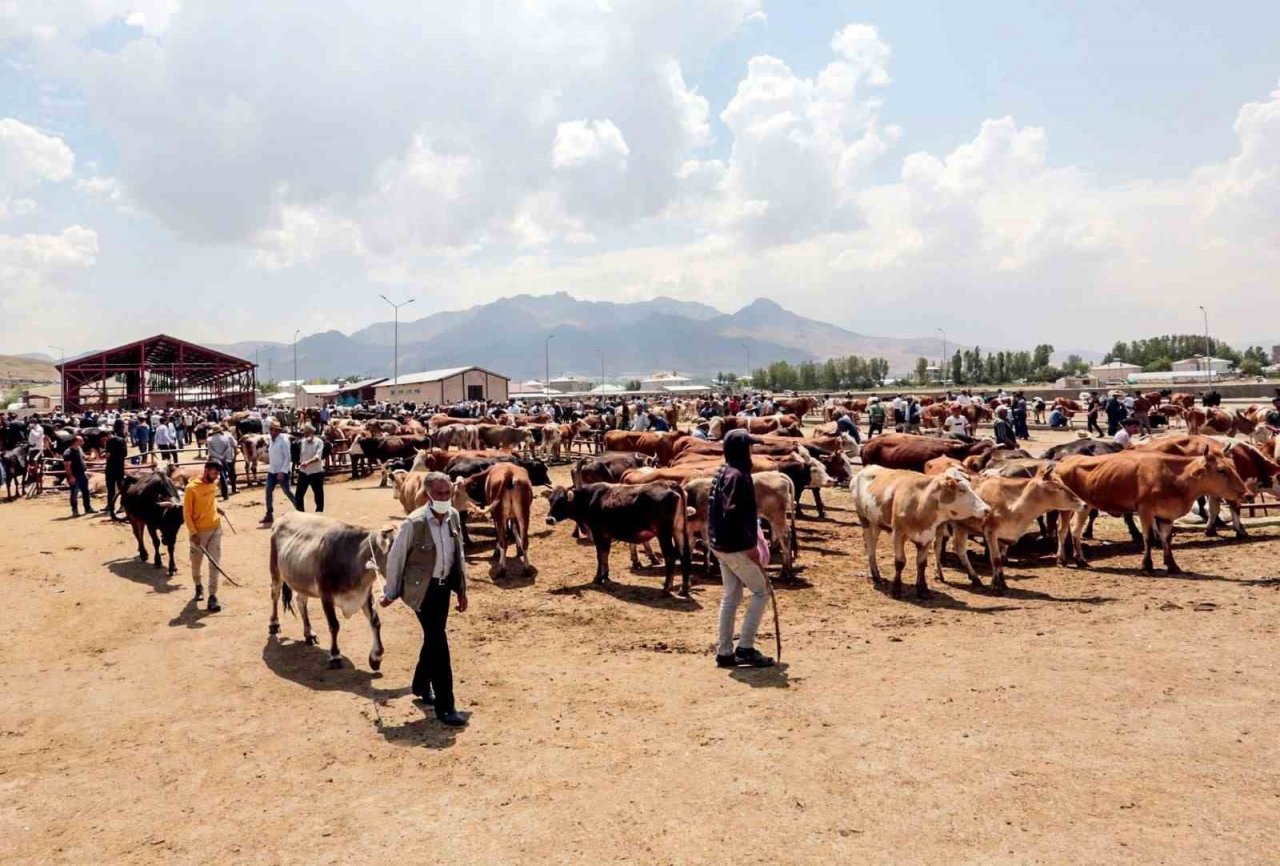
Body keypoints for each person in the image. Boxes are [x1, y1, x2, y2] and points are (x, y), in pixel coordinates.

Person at [380, 472, 470, 727]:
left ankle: (420, 684)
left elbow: (458, 554)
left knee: (433, 638)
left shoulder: (453, 516)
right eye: (440, 493)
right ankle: (446, 706)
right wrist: (391, 592)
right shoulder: (414, 522)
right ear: (428, 494)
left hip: (443, 588)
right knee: (440, 645)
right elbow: (396, 558)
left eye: (448, 493)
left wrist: (462, 590)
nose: (445, 498)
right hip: (422, 590)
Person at [709, 430, 774, 670]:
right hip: (735, 546)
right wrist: (750, 546)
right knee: (761, 592)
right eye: (749, 447)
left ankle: (725, 652)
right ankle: (745, 647)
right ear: (741, 450)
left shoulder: (722, 471)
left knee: (731, 597)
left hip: (720, 544)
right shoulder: (738, 476)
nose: (752, 451)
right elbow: (734, 512)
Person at [184, 460, 225, 612]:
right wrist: (193, 533)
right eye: (214, 473)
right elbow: (187, 514)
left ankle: (212, 596)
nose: (217, 476)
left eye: (218, 473)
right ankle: (198, 585)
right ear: (206, 470)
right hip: (198, 534)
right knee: (196, 564)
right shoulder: (191, 489)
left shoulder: (214, 484)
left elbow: (212, 500)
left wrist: (217, 508)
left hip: (215, 529)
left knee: (215, 564)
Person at [260, 421, 294, 527]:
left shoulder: (283, 441)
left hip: (281, 471)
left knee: (287, 491)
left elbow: (287, 457)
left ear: (277, 430)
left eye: (272, 429)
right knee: (268, 492)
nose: (270, 431)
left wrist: (283, 471)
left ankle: (300, 508)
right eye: (270, 429)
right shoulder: (272, 440)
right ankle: (269, 514)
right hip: (272, 470)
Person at [294, 424, 325, 512]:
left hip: (316, 472)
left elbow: (318, 457)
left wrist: (307, 462)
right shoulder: (302, 442)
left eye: (307, 433)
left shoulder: (319, 442)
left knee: (318, 495)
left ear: (312, 433)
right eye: (305, 433)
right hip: (303, 472)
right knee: (298, 496)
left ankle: (319, 513)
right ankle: (301, 514)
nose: (306, 435)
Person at [64, 435, 94, 517]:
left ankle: (87, 508)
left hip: (82, 473)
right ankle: (75, 510)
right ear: (75, 442)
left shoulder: (79, 449)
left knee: (86, 492)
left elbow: (84, 457)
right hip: (74, 475)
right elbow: (67, 466)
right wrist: (70, 476)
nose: (83, 442)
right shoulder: (68, 453)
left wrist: (90, 457)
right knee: (74, 493)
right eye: (81, 441)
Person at [207, 424, 238, 499]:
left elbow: (211, 451)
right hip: (227, 459)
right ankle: (233, 488)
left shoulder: (209, 439)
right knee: (231, 473)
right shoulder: (227, 437)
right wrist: (224, 457)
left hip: (216, 460)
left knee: (222, 476)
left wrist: (219, 457)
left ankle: (224, 493)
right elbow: (229, 447)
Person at [104, 429, 127, 520]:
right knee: (110, 488)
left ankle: (123, 505)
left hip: (118, 468)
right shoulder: (109, 442)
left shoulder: (120, 441)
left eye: (105, 437)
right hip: (110, 468)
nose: (105, 440)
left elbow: (124, 454)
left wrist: (111, 455)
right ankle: (110, 505)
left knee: (121, 488)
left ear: (109, 434)